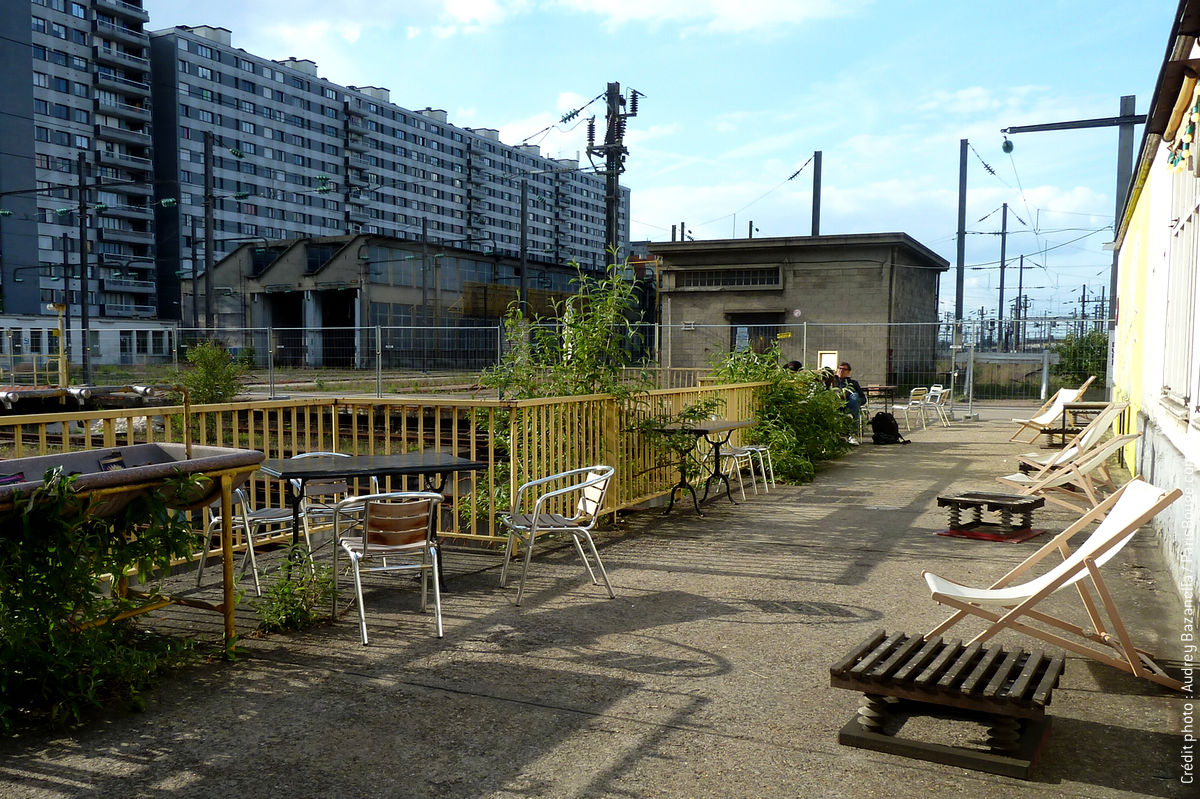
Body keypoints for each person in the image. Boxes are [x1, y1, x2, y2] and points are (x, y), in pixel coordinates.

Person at [832, 362, 866, 445]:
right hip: (835, 405)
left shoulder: (853, 383)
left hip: (850, 405)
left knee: (855, 395)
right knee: (854, 409)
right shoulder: (832, 380)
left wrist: (854, 399)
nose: (841, 371)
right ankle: (850, 417)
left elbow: (863, 399)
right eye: (840, 368)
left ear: (848, 372)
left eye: (844, 369)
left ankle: (852, 434)